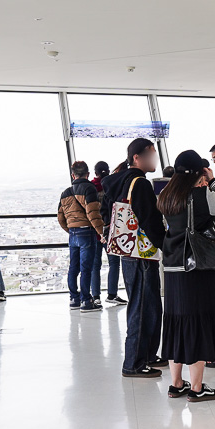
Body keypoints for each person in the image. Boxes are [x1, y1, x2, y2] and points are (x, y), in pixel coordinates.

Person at [158, 150, 215, 402]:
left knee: (177, 322)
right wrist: (213, 181)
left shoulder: (166, 195)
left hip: (173, 266)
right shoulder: (199, 196)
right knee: (198, 322)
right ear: (198, 172)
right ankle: (197, 387)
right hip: (196, 267)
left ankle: (176, 383)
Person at [101, 139, 167, 378]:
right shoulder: (139, 183)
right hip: (141, 252)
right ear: (137, 157)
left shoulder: (118, 181)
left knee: (149, 303)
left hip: (127, 250)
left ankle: (148, 355)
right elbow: (150, 220)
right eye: (151, 155)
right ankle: (134, 363)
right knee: (141, 305)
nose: (155, 160)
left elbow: (105, 211)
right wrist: (166, 244)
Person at [57, 160, 105, 312]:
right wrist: (101, 232)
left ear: (73, 175)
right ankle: (86, 301)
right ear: (88, 174)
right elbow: (93, 213)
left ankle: (74, 299)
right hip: (87, 231)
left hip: (73, 233)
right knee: (86, 268)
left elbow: (60, 217)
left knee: (73, 267)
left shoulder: (65, 192)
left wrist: (70, 229)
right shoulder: (89, 188)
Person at [92, 161, 126, 306]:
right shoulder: (111, 187)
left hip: (94, 230)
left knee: (95, 264)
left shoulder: (90, 188)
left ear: (95, 173)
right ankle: (112, 294)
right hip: (109, 229)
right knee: (114, 263)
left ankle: (96, 296)